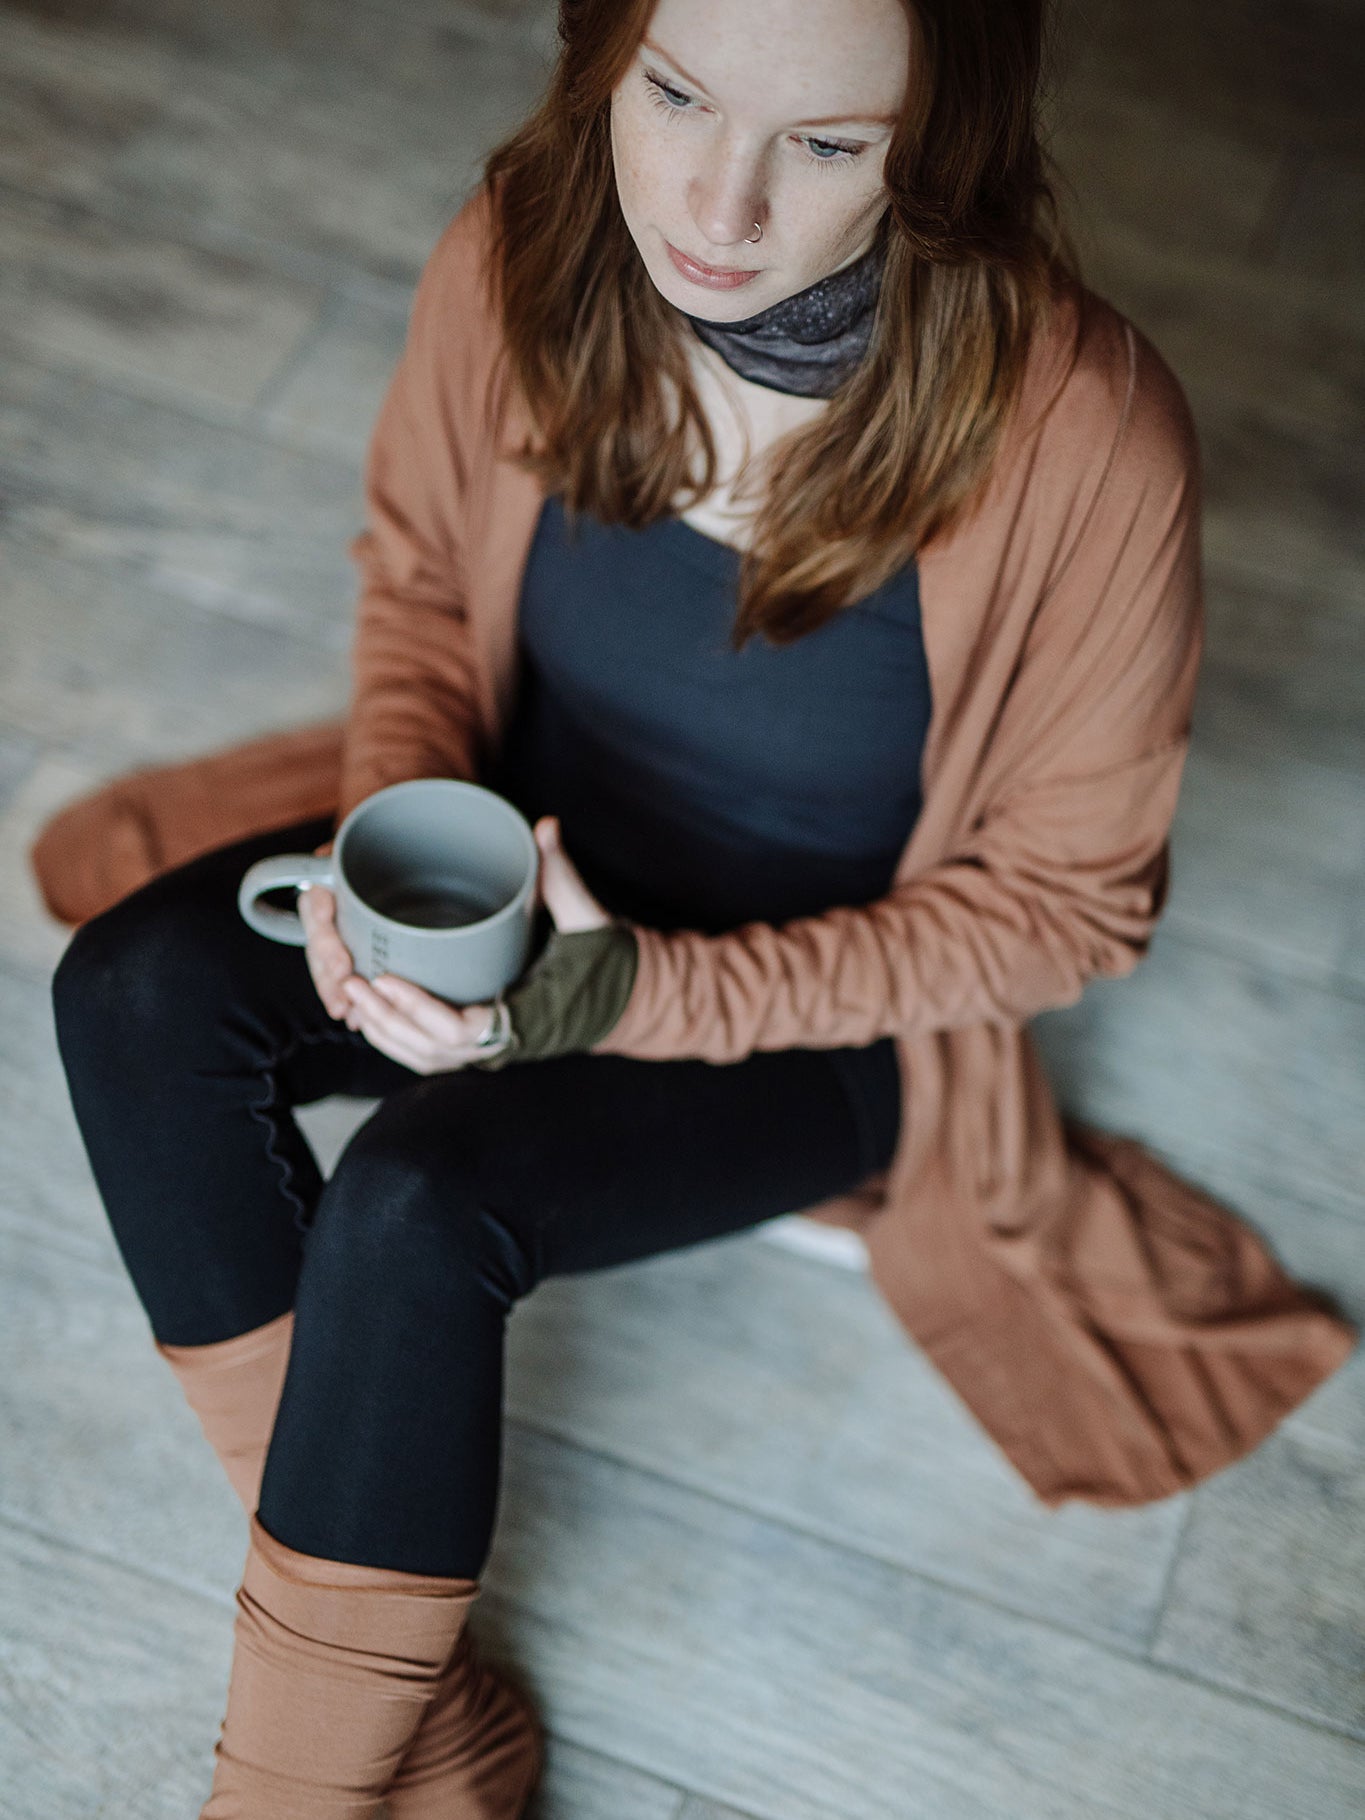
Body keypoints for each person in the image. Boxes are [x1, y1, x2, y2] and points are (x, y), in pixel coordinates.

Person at [48, 0, 1240, 1812]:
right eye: (671, 93)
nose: (715, 203)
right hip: (521, 859)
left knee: (416, 1206)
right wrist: (393, 850)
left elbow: (1069, 914)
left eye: (828, 145)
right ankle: (417, 1715)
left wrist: (633, 1001)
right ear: (601, 49)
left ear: (945, 143)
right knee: (133, 993)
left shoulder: (1090, 438)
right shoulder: (525, 242)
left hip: (827, 1018)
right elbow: (424, 590)